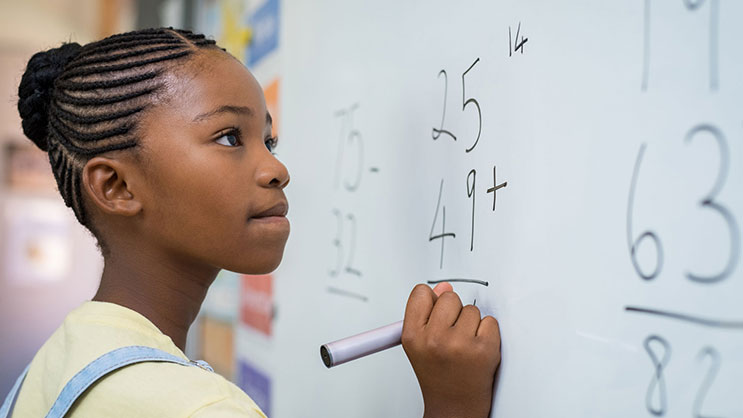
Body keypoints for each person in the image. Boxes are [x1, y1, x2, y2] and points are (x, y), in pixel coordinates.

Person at [3, 27, 501, 418]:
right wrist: (454, 407)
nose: (276, 170)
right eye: (228, 138)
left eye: (270, 142)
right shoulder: (194, 409)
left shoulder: (63, 358)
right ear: (116, 187)